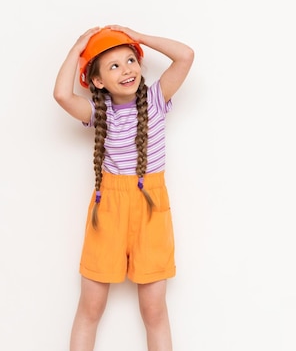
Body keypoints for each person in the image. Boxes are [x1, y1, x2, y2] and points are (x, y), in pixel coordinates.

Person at [53, 25, 194, 351]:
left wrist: (139, 38)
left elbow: (185, 56)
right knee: (91, 306)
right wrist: (78, 48)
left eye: (130, 60)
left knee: (154, 309)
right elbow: (62, 95)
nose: (126, 69)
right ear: (98, 81)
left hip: (151, 209)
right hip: (109, 210)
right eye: (114, 65)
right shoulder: (97, 113)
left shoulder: (156, 101)